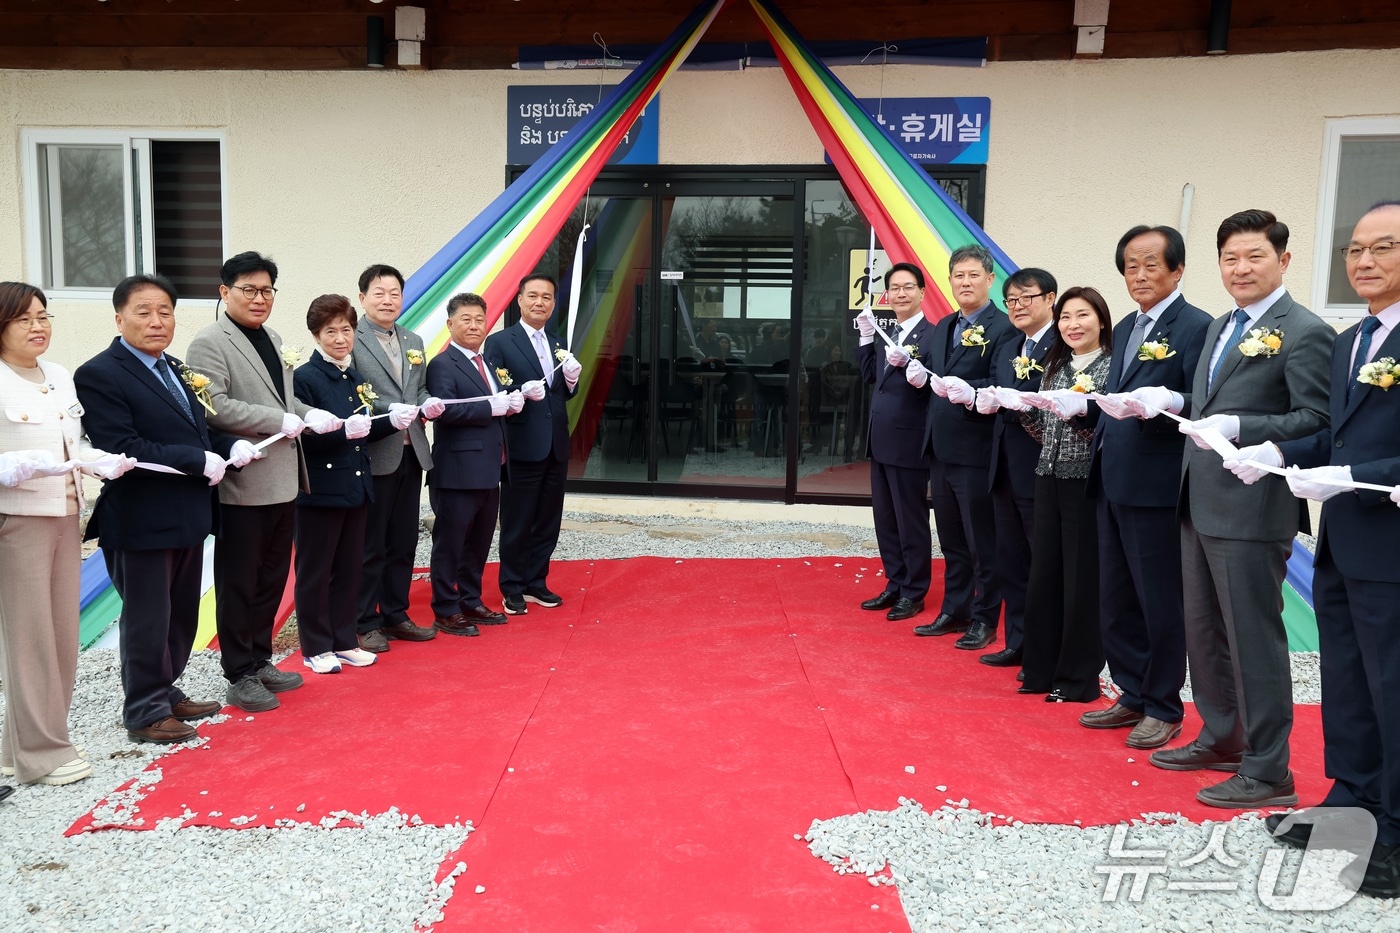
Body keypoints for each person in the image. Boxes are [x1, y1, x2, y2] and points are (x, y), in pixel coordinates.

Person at [1231, 200, 1400, 897]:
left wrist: (1355, 476)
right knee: (1350, 681)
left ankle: (1394, 827)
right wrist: (1275, 448)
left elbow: (1360, 460)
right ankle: (1353, 797)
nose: (1364, 261)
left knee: (1395, 688)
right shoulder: (1355, 339)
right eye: (1354, 250)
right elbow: (1336, 437)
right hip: (1345, 543)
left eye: (1382, 247)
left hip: (1391, 546)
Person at [1150, 210, 1333, 808]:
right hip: (1198, 500)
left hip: (1253, 508)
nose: (1241, 268)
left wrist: (1244, 424)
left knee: (1252, 638)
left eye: (1254, 256)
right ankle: (1222, 733)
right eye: (1230, 258)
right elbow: (1208, 402)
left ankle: (1268, 766)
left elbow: (1317, 421)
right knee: (1203, 633)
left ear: (1282, 260)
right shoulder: (1221, 325)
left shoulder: (1304, 331)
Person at [75, 274, 259, 744]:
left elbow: (194, 436)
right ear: (119, 318)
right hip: (140, 517)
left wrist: (229, 444)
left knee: (180, 614)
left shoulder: (175, 368)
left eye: (165, 311)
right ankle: (143, 711)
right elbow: (123, 445)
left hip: (187, 514)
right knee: (148, 616)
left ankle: (166, 690)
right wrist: (197, 459)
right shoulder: (100, 373)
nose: (157, 321)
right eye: (144, 311)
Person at [187, 251, 343, 712]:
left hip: (283, 479)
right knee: (239, 580)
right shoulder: (209, 343)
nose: (260, 298)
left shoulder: (273, 338)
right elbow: (213, 406)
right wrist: (277, 417)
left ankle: (259, 660)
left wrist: (308, 413)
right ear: (224, 292)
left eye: (267, 290)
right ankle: (238, 673)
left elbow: (286, 399)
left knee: (272, 577)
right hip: (244, 480)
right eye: (249, 290)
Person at [1080, 225, 1211, 749]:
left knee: (1159, 601)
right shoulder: (1131, 326)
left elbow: (1198, 400)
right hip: (1112, 475)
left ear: (1177, 269)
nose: (1139, 275)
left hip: (1156, 484)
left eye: (1150, 264)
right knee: (1116, 597)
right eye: (1130, 265)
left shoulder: (1195, 325)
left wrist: (1165, 402)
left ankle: (1163, 704)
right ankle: (1131, 691)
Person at [0, 281, 134, 785]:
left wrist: (99, 462)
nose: (39, 327)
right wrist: (9, 465)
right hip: (17, 522)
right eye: (25, 319)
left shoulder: (56, 375)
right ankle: (42, 752)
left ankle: (17, 750)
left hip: (64, 515)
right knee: (29, 639)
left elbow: (74, 443)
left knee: (59, 635)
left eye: (44, 316)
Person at [1013, 287, 1113, 702]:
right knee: (1044, 575)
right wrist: (1020, 407)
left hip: (1085, 482)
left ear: (1102, 321)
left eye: (1083, 315)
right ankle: (1039, 669)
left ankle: (1076, 678)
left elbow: (1101, 432)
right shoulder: (1056, 364)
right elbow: (1043, 430)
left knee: (1080, 580)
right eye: (1066, 317)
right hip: (1047, 475)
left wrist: (1077, 416)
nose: (1073, 325)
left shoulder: (1112, 367)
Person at [292, 294, 401, 674]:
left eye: (347, 329)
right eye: (331, 331)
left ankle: (343, 640)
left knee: (349, 568)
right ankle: (315, 646)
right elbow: (305, 436)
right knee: (316, 571)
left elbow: (364, 430)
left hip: (356, 487)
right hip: (320, 491)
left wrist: (395, 420)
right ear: (316, 335)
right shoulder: (304, 378)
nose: (340, 338)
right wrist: (341, 432)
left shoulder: (354, 376)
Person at [914, 245, 1016, 647]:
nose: (965, 282)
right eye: (959, 275)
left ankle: (985, 617)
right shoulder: (943, 327)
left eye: (974, 275)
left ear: (990, 280)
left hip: (976, 452)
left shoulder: (1003, 328)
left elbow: (1001, 384)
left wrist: (966, 389)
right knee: (952, 538)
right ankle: (954, 610)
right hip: (940, 449)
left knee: (981, 542)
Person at [353, 264, 445, 652]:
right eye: (379, 292)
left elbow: (419, 389)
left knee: (404, 540)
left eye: (395, 293)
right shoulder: (350, 338)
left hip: (412, 451)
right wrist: (394, 410)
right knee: (370, 543)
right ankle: (364, 621)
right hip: (375, 452)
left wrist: (429, 404)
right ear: (362, 298)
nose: (388, 299)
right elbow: (354, 392)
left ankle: (395, 613)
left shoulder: (413, 338)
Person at [482, 273, 581, 615]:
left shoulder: (557, 342)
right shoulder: (500, 342)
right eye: (533, 296)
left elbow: (563, 393)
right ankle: (511, 586)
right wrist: (518, 395)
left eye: (547, 297)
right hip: (522, 443)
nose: (540, 302)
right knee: (517, 518)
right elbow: (494, 389)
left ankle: (536, 580)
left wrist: (571, 380)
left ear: (554, 304)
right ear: (520, 300)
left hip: (555, 444)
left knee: (548, 518)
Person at [974, 268, 1057, 669]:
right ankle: (1018, 641)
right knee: (1011, 560)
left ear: (1050, 299)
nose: (1018, 306)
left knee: (1043, 565)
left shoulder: (1062, 346)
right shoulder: (1009, 343)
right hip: (1003, 467)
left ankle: (1045, 652)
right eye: (1011, 300)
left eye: (1027, 298)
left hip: (1041, 468)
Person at [426, 293, 523, 635]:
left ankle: (470, 599)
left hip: (489, 469)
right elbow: (446, 411)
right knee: (450, 543)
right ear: (450, 324)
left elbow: (495, 406)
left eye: (479, 319)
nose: (473, 325)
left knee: (480, 541)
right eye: (465, 319)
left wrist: (510, 403)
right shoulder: (442, 364)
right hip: (457, 472)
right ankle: (445, 608)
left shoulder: (486, 364)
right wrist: (491, 408)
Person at [854, 262, 938, 622]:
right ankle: (895, 580)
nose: (901, 294)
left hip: (910, 442)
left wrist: (916, 373)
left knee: (910, 519)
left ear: (921, 292)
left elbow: (934, 385)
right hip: (883, 441)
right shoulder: (890, 333)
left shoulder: (934, 335)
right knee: (885, 518)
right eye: (895, 288)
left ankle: (915, 590)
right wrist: (865, 336)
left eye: (908, 287)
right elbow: (872, 374)